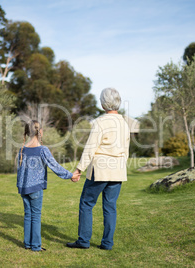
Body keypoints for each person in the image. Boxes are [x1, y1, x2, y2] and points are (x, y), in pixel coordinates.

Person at [66, 87, 130, 250]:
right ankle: (107, 243)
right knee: (110, 207)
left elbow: (90, 148)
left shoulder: (100, 122)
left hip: (100, 170)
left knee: (87, 203)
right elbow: (126, 150)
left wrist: (79, 169)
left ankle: (83, 241)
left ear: (103, 104)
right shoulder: (124, 123)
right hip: (117, 171)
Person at [17, 120, 80, 252]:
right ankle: (35, 246)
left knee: (28, 215)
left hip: (23, 188)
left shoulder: (22, 149)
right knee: (35, 216)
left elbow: (20, 169)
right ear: (40, 132)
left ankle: (27, 244)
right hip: (35, 188)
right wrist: (71, 175)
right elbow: (54, 166)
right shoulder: (42, 150)